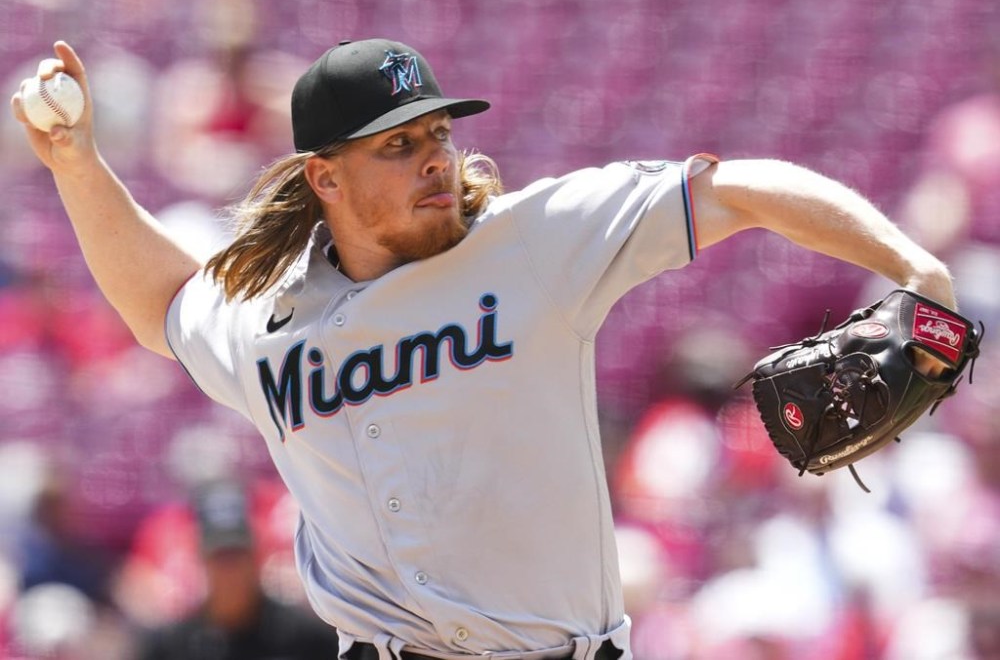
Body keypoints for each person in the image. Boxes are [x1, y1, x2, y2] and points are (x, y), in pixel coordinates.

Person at [11, 38, 958, 660]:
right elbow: (163, 303)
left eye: (436, 132)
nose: (433, 155)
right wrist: (77, 164)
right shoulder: (268, 320)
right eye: (396, 144)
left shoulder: (537, 241)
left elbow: (740, 188)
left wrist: (913, 265)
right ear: (323, 175)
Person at [133, 479, 340, 660]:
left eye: (237, 556)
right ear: (202, 561)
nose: (230, 571)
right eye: (220, 558)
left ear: (256, 557)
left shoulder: (306, 637)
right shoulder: (171, 646)